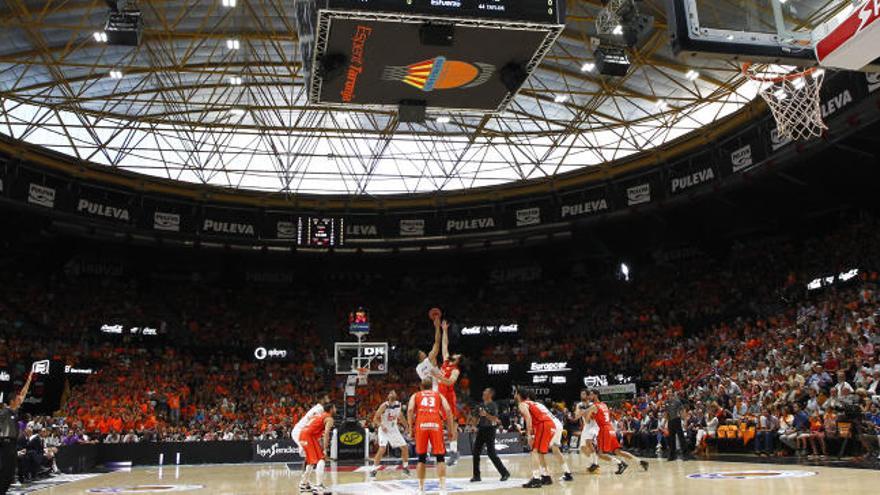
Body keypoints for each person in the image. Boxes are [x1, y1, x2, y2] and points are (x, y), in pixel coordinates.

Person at [408, 378, 456, 495]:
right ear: (431, 386)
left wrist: (410, 429)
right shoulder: (438, 395)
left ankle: (421, 488)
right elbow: (448, 410)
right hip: (435, 424)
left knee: (421, 458)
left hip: (421, 424)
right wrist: (450, 429)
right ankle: (443, 488)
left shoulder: (415, 395)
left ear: (421, 386)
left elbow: (409, 410)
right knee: (440, 457)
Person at [584, 390, 648, 475]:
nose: (589, 396)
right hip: (611, 429)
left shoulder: (594, 406)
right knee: (617, 451)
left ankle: (620, 463)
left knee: (600, 454)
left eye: (591, 394)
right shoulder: (604, 405)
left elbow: (587, 421)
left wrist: (586, 412)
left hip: (604, 430)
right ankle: (640, 461)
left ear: (596, 395)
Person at [516, 388, 568, 488]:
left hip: (544, 425)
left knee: (534, 451)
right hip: (549, 424)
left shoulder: (522, 404)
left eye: (515, 393)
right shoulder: (534, 403)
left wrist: (529, 435)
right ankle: (546, 476)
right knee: (539, 452)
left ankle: (536, 478)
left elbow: (528, 418)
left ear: (518, 395)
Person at [0, 372, 32, 495]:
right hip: (5, 444)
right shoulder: (4, 413)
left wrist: (28, 380)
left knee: (10, 472)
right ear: (13, 401)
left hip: (12, 445)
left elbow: (23, 393)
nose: (21, 399)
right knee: (5, 471)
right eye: (18, 399)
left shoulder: (14, 410)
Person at [435, 320, 461, 464]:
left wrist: (438, 376)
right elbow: (444, 345)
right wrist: (444, 330)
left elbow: (450, 382)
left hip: (449, 398)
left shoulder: (455, 370)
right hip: (441, 398)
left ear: (457, 361)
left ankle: (454, 452)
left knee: (452, 426)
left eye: (457, 356)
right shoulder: (445, 362)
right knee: (444, 425)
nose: (454, 355)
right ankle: (449, 450)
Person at [470, 388, 510, 483]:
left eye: (485, 392)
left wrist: (485, 415)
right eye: (483, 392)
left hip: (490, 430)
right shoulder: (480, 405)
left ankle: (505, 473)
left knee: (491, 453)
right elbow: (476, 417)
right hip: (481, 430)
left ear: (490, 394)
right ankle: (476, 476)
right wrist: (473, 426)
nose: (483, 393)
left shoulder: (493, 405)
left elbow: (495, 419)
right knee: (475, 453)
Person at [369, 391, 411, 478]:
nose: (392, 393)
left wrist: (407, 426)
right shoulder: (384, 406)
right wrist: (381, 425)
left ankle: (405, 467)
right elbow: (375, 419)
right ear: (388, 396)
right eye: (390, 393)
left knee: (405, 447)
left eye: (394, 392)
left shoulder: (398, 405)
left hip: (393, 429)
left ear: (396, 396)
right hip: (384, 429)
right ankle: (373, 469)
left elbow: (401, 417)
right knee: (382, 449)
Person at [298, 403, 336, 495]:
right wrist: (325, 449)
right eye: (334, 408)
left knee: (311, 461)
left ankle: (303, 484)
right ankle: (319, 486)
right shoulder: (329, 418)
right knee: (321, 459)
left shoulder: (319, 415)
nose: (336, 409)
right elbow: (326, 434)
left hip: (303, 434)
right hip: (308, 436)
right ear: (331, 409)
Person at [574, 389, 600, 473]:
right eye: (581, 394)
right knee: (582, 448)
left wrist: (583, 412)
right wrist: (582, 413)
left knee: (589, 442)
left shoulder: (593, 404)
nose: (582, 395)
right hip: (586, 427)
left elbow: (588, 418)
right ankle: (592, 463)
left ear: (588, 396)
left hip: (594, 425)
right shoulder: (579, 404)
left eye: (584, 394)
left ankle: (595, 464)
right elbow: (576, 416)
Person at [416, 313, 443, 391]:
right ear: (420, 356)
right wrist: (437, 327)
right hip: (439, 388)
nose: (423, 352)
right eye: (422, 352)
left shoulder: (417, 369)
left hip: (429, 391)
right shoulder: (430, 359)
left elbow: (425, 382)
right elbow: (437, 343)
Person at [665, 389, 688, 461]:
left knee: (681, 437)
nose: (668, 393)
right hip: (670, 421)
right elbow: (667, 413)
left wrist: (685, 420)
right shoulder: (666, 402)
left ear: (672, 393)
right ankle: (672, 455)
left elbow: (682, 410)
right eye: (667, 392)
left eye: (670, 392)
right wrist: (665, 423)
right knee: (671, 438)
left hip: (677, 420)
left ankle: (685, 454)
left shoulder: (677, 401)